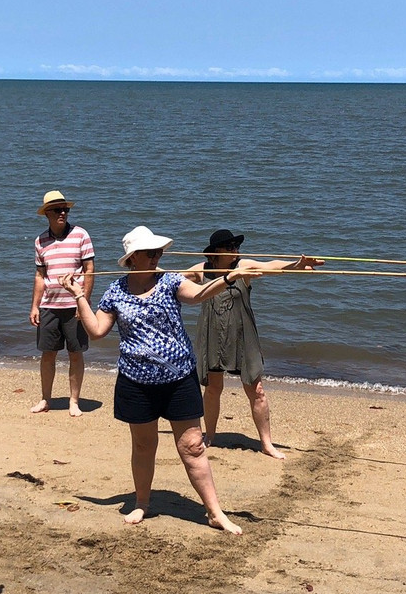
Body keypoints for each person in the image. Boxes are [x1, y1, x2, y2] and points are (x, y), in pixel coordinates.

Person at [60, 225, 261, 533]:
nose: (156, 256)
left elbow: (197, 295)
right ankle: (142, 502)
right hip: (135, 381)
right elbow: (97, 331)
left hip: (178, 378)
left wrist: (226, 277)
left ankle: (214, 512)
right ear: (132, 258)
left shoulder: (170, 281)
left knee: (193, 445)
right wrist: (78, 296)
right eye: (149, 253)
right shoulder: (115, 291)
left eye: (158, 252)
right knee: (143, 446)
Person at [183, 229, 323, 459]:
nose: (235, 250)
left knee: (257, 391)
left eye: (235, 246)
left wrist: (295, 265)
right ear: (215, 253)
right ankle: (210, 435)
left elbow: (271, 266)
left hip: (242, 335)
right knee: (212, 389)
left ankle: (266, 444)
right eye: (229, 247)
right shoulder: (202, 270)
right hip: (212, 335)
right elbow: (170, 277)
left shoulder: (243, 266)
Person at [28, 190, 95, 417]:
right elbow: (40, 276)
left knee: (76, 353)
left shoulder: (81, 235)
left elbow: (89, 271)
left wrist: (82, 301)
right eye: (57, 209)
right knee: (48, 353)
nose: (63, 213)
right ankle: (45, 399)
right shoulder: (40, 240)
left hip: (75, 304)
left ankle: (74, 402)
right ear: (47, 213)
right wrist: (35, 306)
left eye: (65, 209)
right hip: (49, 306)